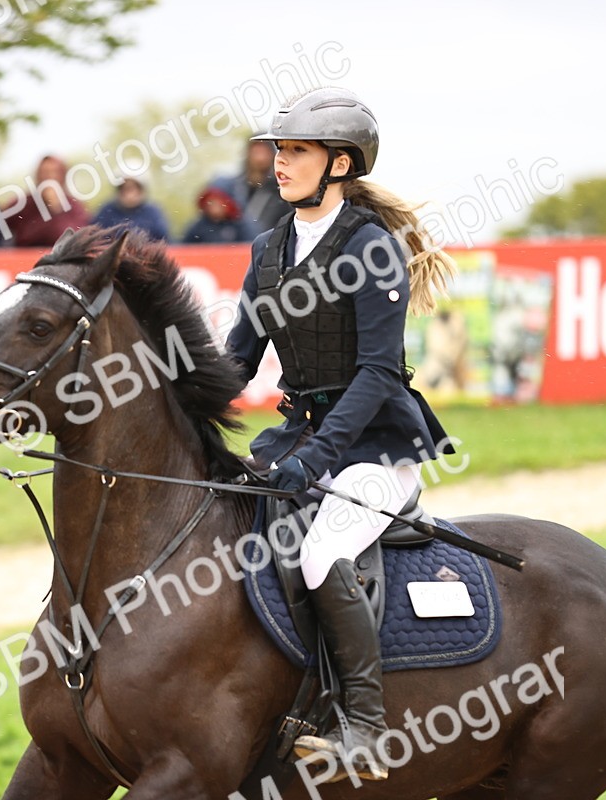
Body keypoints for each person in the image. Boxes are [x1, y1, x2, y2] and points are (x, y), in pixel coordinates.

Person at [225, 88, 457, 783]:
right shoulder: (268, 249)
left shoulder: (371, 248)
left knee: (323, 551)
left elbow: (379, 372)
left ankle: (365, 725)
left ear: (341, 163)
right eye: (279, 150)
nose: (279, 162)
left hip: (378, 447)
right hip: (298, 440)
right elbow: (236, 361)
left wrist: (318, 458)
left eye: (297, 151)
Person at [207, 137, 290, 240]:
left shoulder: (281, 189)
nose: (260, 158)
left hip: (270, 242)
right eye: (256, 152)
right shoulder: (234, 187)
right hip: (237, 244)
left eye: (264, 153)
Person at [6, 155, 90, 247]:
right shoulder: (23, 203)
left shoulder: (75, 206)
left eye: (54, 172)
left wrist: (56, 209)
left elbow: (75, 238)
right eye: (44, 173)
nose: (49, 177)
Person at [91, 177, 171, 241]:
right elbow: (95, 236)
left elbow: (164, 239)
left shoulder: (153, 212)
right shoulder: (107, 211)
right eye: (125, 189)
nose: (129, 194)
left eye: (133, 189)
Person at [182, 186, 251, 244]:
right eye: (210, 204)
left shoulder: (238, 223)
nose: (214, 208)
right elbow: (184, 247)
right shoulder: (199, 227)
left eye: (218, 204)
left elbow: (249, 245)